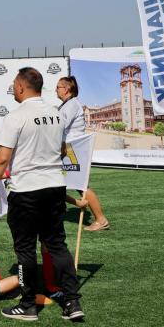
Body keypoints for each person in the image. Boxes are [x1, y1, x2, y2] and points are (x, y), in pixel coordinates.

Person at [0, 67, 84, 322]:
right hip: (55, 187)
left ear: (21, 87)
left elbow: (2, 158)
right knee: (57, 245)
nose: (13, 89)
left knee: (25, 249)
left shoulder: (16, 116)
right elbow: (63, 150)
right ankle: (72, 302)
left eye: (14, 84)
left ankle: (28, 305)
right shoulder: (56, 114)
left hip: (26, 190)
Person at [56, 76, 109, 231]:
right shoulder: (67, 104)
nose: (55, 90)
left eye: (58, 87)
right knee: (61, 182)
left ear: (67, 89)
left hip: (71, 149)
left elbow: (60, 125)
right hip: (68, 149)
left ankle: (101, 220)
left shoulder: (72, 104)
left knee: (81, 186)